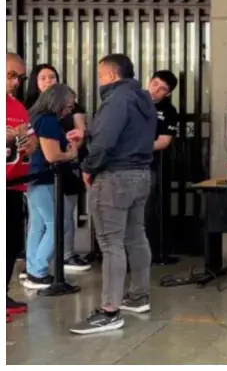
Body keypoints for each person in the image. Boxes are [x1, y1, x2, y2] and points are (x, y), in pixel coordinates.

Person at [69, 54, 157, 335]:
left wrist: (87, 166)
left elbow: (106, 142)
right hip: (141, 174)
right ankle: (139, 295)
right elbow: (127, 135)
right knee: (136, 235)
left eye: (100, 75)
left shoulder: (116, 100)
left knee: (111, 243)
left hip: (115, 178)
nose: (99, 80)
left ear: (110, 75)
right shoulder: (143, 99)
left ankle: (109, 311)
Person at [24, 64, 91, 273]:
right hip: (43, 179)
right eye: (69, 106)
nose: (69, 111)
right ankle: (40, 270)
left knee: (38, 226)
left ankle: (33, 268)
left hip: (33, 178)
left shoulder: (36, 116)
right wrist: (70, 154)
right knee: (57, 224)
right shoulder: (48, 120)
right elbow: (51, 155)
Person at [6, 53, 37, 322]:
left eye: (19, 77)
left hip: (15, 184)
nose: (16, 81)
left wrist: (30, 144)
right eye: (11, 75)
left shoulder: (17, 107)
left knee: (13, 242)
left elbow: (31, 137)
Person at [145, 70, 179, 262]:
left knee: (151, 208)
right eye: (155, 83)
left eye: (162, 88)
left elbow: (164, 141)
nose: (156, 89)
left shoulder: (169, 111)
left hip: (153, 165)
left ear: (168, 93)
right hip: (125, 165)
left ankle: (155, 252)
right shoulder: (134, 101)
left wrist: (137, 148)